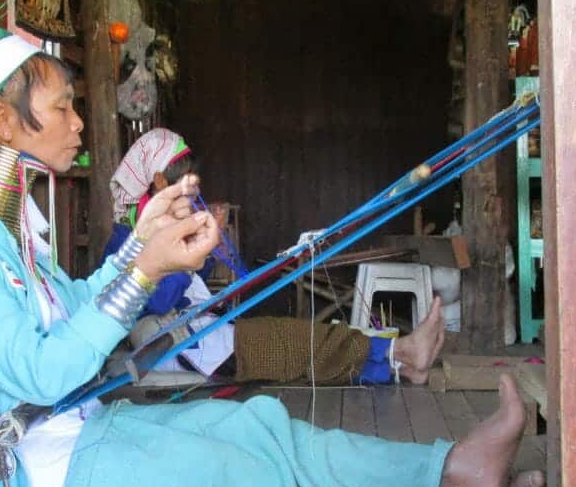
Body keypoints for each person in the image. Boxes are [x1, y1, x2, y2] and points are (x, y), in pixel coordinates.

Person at [0, 26, 543, 487]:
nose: (79, 122)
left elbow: (76, 309)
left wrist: (138, 250)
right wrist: (143, 268)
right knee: (233, 481)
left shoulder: (11, 238)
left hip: (77, 444)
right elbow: (40, 373)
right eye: (62, 107)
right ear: (4, 121)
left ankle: (452, 471)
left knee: (255, 427)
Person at [103, 127, 445, 385]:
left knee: (300, 342)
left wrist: (205, 250)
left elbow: (192, 280)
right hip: (187, 351)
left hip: (204, 336)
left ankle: (398, 363)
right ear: (160, 181)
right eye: (186, 184)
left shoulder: (162, 224)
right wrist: (193, 249)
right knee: (298, 343)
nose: (194, 193)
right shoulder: (129, 238)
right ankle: (401, 353)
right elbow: (160, 300)